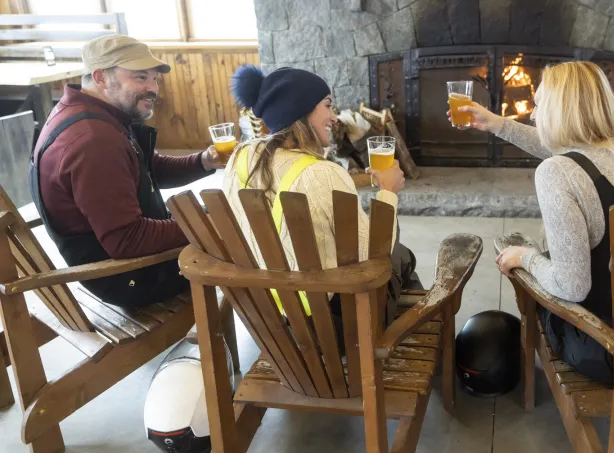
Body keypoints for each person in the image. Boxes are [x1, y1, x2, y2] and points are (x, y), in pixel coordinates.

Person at [460, 61, 614, 386]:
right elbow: (575, 154)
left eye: (538, 105)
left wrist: (527, 257)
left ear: (562, 112)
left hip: (609, 346)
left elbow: (571, 286)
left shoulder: (556, 173)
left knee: (533, 271)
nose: (533, 116)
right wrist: (499, 125)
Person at [31, 35, 225, 308]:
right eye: (140, 77)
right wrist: (208, 226)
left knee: (221, 215)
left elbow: (146, 169)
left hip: (125, 261)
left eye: (155, 79)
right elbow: (129, 239)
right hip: (129, 276)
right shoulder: (94, 140)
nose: (153, 88)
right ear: (101, 77)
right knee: (239, 235)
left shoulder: (87, 112)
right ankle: (267, 326)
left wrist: (204, 161)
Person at [224, 65, 419, 335]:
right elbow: (373, 257)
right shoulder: (323, 174)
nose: (334, 117)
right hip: (329, 326)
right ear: (302, 110)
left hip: (274, 319)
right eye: (327, 105)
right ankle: (409, 333)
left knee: (399, 257)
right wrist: (388, 191)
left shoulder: (240, 156)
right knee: (402, 256)